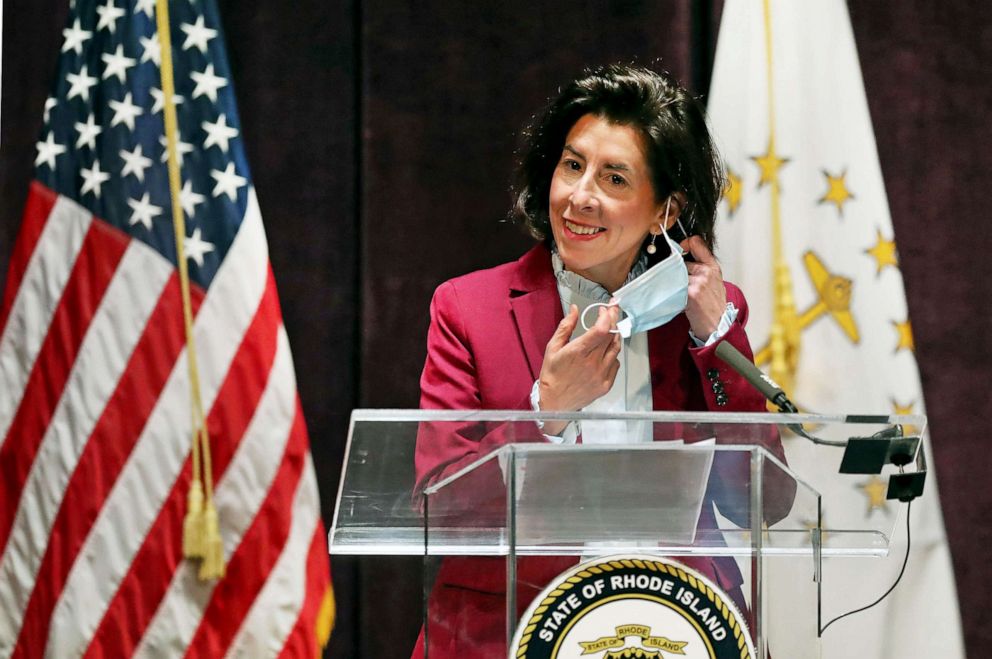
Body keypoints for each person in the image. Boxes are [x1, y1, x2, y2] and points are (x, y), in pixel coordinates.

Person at [412, 63, 793, 657]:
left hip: (680, 627)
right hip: (511, 630)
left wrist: (715, 337)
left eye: (615, 178)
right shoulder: (467, 307)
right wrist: (547, 415)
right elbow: (442, 510)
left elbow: (764, 502)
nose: (579, 195)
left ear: (666, 212)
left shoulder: (709, 311)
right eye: (572, 165)